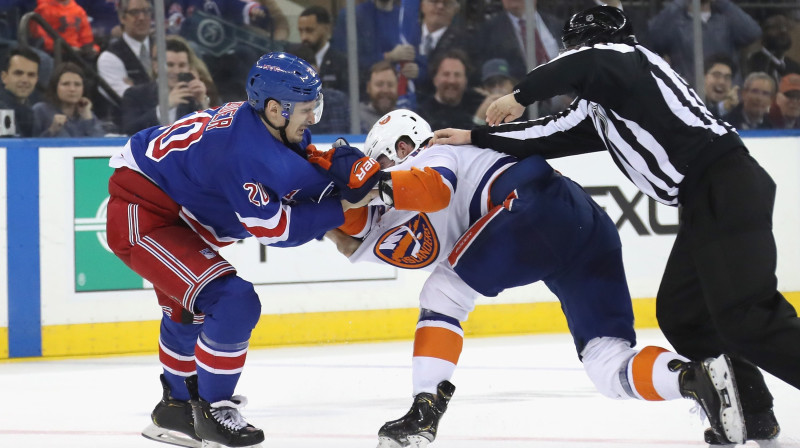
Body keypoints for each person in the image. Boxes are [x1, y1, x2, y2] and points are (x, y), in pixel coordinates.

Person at [432, 6, 800, 445]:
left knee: (747, 315)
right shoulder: (606, 101)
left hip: (726, 183)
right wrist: (474, 137)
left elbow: (590, 62)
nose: (572, 57)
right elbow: (550, 134)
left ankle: (755, 411)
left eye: (574, 47)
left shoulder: (628, 60)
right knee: (684, 315)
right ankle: (753, 416)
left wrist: (520, 94)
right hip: (705, 199)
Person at [327, 109, 746, 447]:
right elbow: (353, 244)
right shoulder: (408, 195)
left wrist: (371, 184)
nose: (373, 175)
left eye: (380, 162)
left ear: (402, 148)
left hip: (529, 207)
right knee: (606, 363)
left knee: (443, 293)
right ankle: (695, 380)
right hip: (585, 222)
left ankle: (424, 410)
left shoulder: (433, 152)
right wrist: (323, 214)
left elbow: (432, 190)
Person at [105, 52, 381, 447]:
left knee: (188, 311)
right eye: (307, 109)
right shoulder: (241, 150)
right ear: (274, 108)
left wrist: (334, 229)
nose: (312, 119)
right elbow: (275, 228)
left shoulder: (277, 129)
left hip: (180, 216)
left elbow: (292, 188)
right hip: (142, 214)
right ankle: (215, 410)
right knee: (234, 301)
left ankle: (175, 410)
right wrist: (342, 208)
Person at [648, 0, 761, 86]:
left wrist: (722, 2)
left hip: (725, 93)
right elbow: (652, 36)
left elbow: (752, 33)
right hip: (690, 94)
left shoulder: (725, 21)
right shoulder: (675, 23)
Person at [120, 36, 210, 135]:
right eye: (170, 65)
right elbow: (130, 131)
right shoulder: (135, 95)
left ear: (189, 67)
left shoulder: (193, 96)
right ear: (156, 67)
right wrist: (165, 107)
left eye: (182, 65)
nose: (176, 71)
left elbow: (211, 133)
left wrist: (202, 102)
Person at [96, 0, 152, 104]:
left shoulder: (166, 47)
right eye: (134, 12)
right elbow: (128, 100)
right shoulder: (109, 57)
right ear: (122, 17)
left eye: (146, 11)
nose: (141, 17)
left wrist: (136, 87)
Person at [32, 61, 104, 137]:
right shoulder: (41, 110)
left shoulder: (88, 114)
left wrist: (87, 118)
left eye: (77, 84)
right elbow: (30, 144)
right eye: (65, 84)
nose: (72, 89)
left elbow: (102, 145)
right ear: (55, 87)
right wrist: (52, 130)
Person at [418, 48, 483, 131]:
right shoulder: (423, 115)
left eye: (457, 75)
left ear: (466, 80)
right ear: (435, 79)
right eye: (446, 74)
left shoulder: (477, 105)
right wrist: (478, 121)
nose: (451, 81)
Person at [297, 5, 348, 93]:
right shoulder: (295, 61)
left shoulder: (342, 63)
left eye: (309, 30)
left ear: (326, 29)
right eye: (301, 31)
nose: (304, 37)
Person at [30, 0, 98, 60]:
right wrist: (64, 48)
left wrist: (91, 49)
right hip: (53, 54)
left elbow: (86, 38)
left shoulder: (79, 11)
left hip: (77, 54)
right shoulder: (43, 8)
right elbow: (39, 37)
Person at [745, 13, 800, 86]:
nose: (783, 31)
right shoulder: (751, 63)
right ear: (763, 32)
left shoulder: (794, 67)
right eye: (776, 27)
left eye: (786, 27)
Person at [0, 47, 40, 137]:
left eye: (31, 75)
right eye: (18, 73)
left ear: (37, 79)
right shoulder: (2, 110)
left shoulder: (30, 110)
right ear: (4, 77)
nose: (25, 80)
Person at [360, 60, 399, 133]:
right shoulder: (355, 117)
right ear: (368, 87)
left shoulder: (405, 118)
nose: (385, 90)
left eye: (390, 85)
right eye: (379, 84)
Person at [703, 54, 738, 119]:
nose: (722, 82)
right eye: (716, 75)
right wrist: (724, 107)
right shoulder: (691, 102)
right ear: (704, 77)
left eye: (727, 77)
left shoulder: (736, 112)